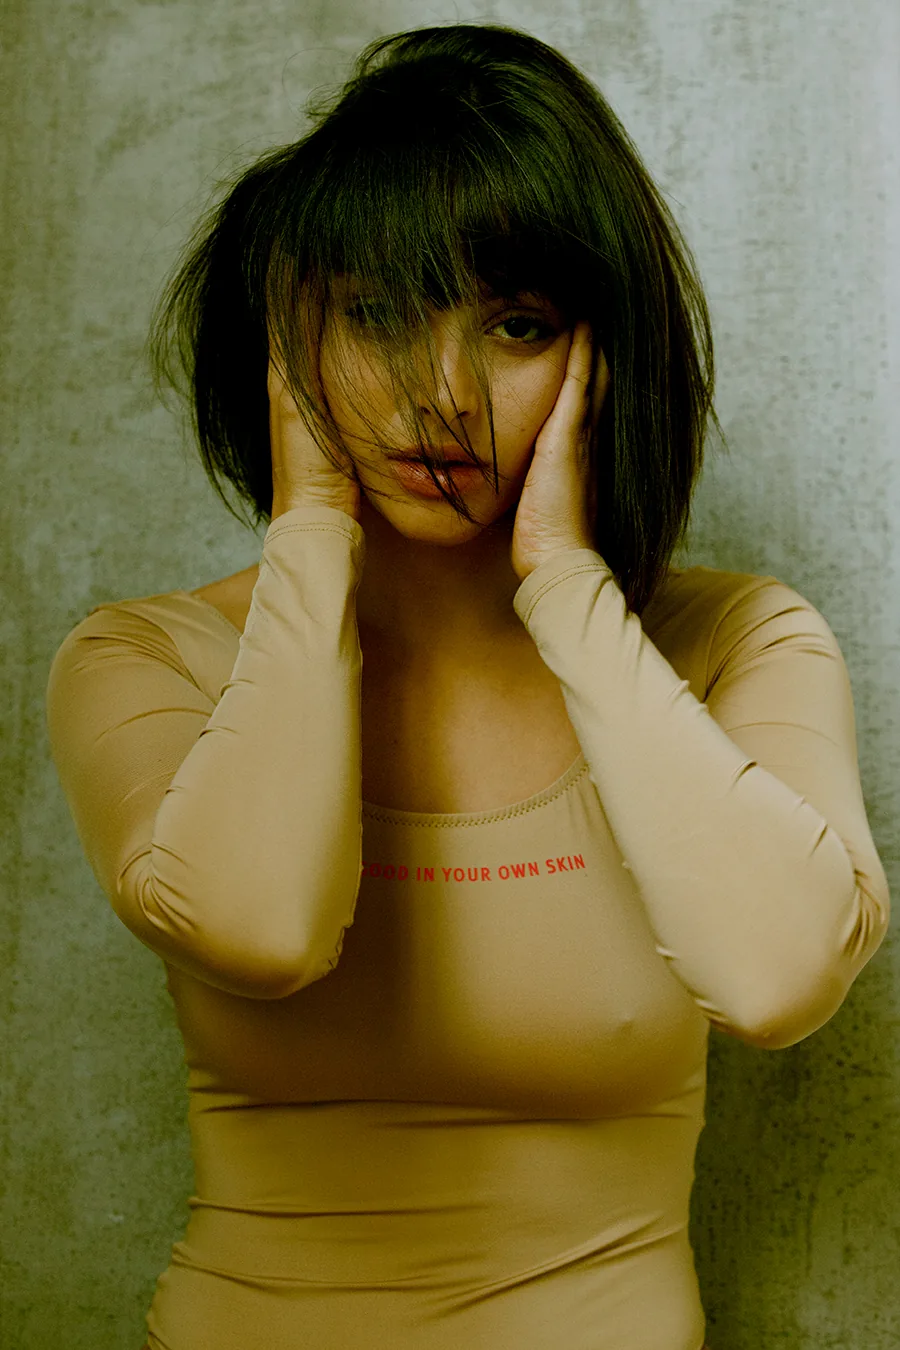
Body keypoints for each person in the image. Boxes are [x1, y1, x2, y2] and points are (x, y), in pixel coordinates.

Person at [46, 21, 890, 1350]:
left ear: (606, 354)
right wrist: (310, 519)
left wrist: (565, 585)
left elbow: (783, 974)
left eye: (514, 323)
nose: (439, 392)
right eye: (375, 313)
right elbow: (262, 924)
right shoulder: (145, 659)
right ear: (283, 337)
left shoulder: (738, 644)